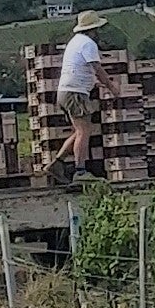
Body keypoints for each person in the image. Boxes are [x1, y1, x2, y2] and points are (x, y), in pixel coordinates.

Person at [44, 11, 120, 184]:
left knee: (80, 130)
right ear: (93, 29)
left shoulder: (75, 42)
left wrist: (94, 84)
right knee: (84, 131)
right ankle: (80, 172)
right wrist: (111, 87)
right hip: (75, 93)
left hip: (65, 92)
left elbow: (80, 70)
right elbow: (97, 69)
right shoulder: (88, 44)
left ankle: (57, 164)